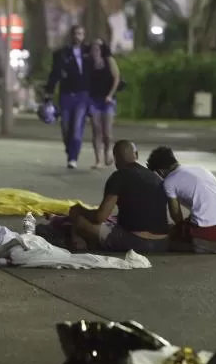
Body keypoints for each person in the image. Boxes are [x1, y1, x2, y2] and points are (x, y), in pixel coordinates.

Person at [68, 140, 170, 254]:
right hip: (162, 243)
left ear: (115, 159)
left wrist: (80, 210)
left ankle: (90, 246)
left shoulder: (118, 177)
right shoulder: (155, 177)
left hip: (135, 243)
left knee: (80, 220)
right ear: (136, 155)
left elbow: (100, 217)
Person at [145, 146, 216, 254]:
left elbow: (175, 213)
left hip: (209, 230)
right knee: (189, 221)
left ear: (160, 171)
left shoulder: (169, 182)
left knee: (166, 238)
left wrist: (179, 230)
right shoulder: (201, 169)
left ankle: (212, 245)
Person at [45, 25, 91, 169]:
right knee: (65, 127)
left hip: (82, 96)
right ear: (71, 35)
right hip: (66, 96)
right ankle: (69, 148)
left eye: (81, 33)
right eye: (76, 33)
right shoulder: (62, 54)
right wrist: (49, 93)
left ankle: (73, 157)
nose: (78, 36)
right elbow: (55, 74)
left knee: (77, 127)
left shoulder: (89, 53)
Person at [88, 39, 121, 169]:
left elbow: (116, 78)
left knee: (107, 132)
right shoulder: (89, 63)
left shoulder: (109, 61)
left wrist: (110, 95)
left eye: (97, 48)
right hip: (93, 100)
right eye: (93, 48)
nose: (95, 51)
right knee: (96, 130)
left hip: (108, 100)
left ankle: (108, 151)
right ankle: (98, 160)